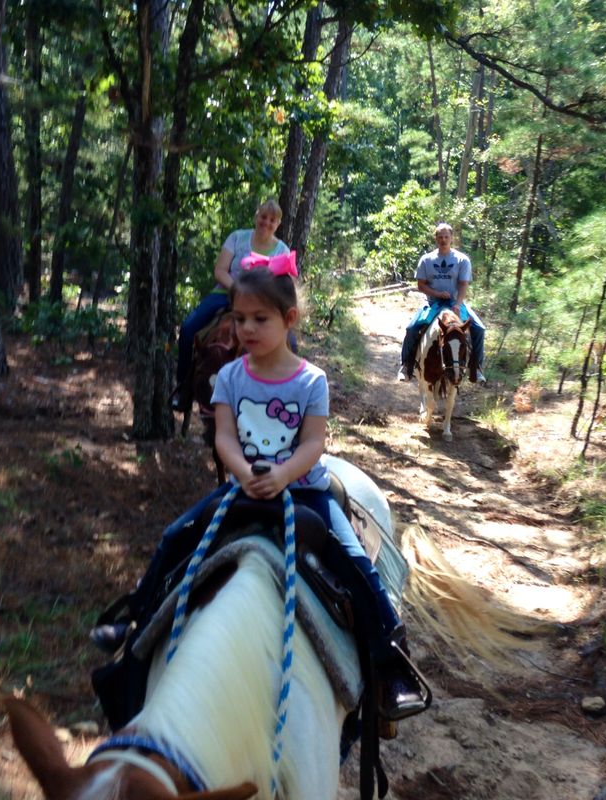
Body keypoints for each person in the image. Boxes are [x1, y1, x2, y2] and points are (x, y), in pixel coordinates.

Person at [94, 257, 425, 723]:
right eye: (239, 317)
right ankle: (134, 622)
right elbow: (224, 436)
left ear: (289, 319)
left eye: (259, 319)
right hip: (244, 488)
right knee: (175, 537)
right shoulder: (230, 376)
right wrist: (242, 471)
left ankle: (392, 660)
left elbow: (314, 443)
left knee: (353, 563)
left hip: (303, 492)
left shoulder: (311, 381)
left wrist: (284, 474)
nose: (246, 328)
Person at [171, 198, 290, 411]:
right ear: (256, 216)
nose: (266, 222)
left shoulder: (282, 249)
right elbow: (220, 270)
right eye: (263, 217)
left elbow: (284, 283)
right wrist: (238, 290)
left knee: (290, 341)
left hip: (262, 304)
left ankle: (281, 394)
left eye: (272, 220)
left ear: (278, 224)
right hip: (225, 293)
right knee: (189, 329)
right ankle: (183, 389)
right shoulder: (237, 237)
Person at [397, 222, 487, 383]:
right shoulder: (426, 260)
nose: (443, 240)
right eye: (440, 237)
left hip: (455, 302)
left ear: (452, 238)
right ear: (436, 239)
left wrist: (458, 304)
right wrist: (437, 293)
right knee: (411, 328)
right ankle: (406, 365)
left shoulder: (462, 260)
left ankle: (477, 368)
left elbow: (463, 284)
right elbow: (421, 285)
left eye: (446, 237)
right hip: (432, 303)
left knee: (479, 329)